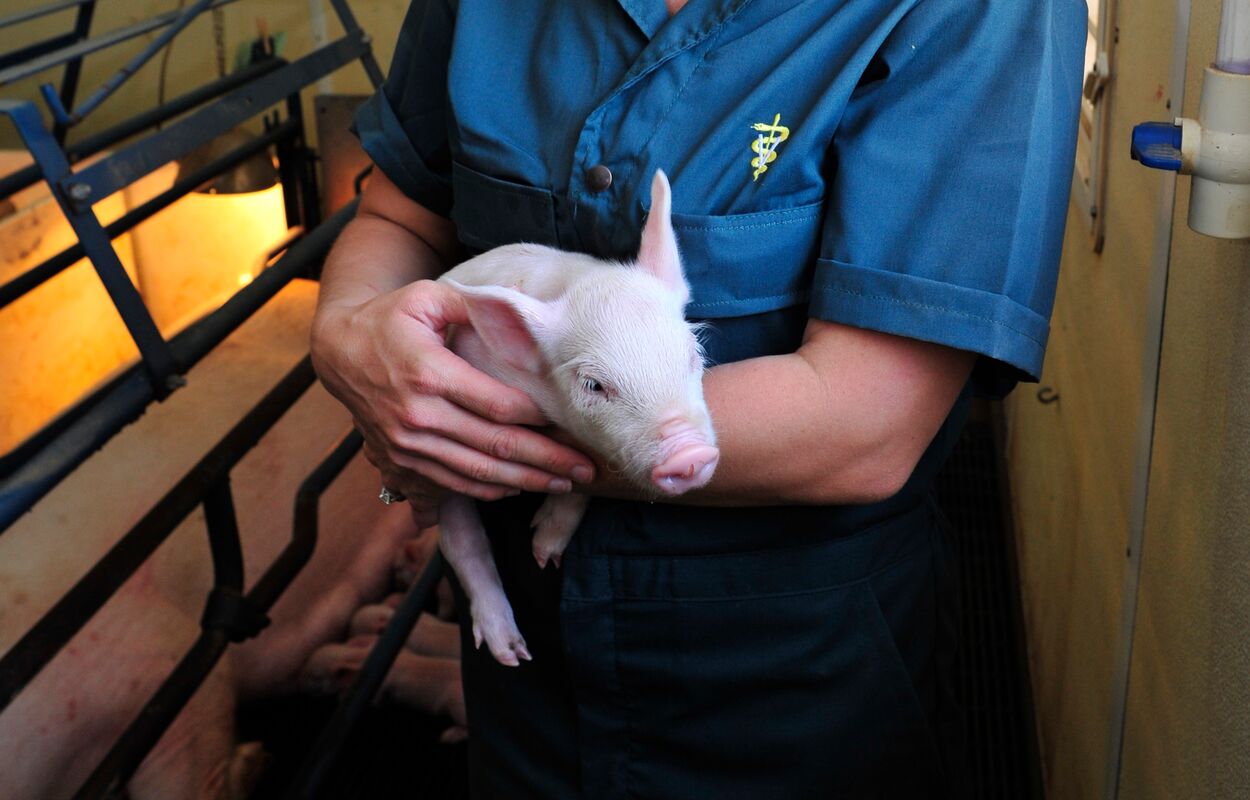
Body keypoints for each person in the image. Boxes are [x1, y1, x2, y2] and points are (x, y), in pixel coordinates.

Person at [310, 0, 1086, 796]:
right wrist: (344, 341)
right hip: (529, 679)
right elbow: (399, 215)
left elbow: (867, 427)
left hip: (793, 684)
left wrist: (463, 438)